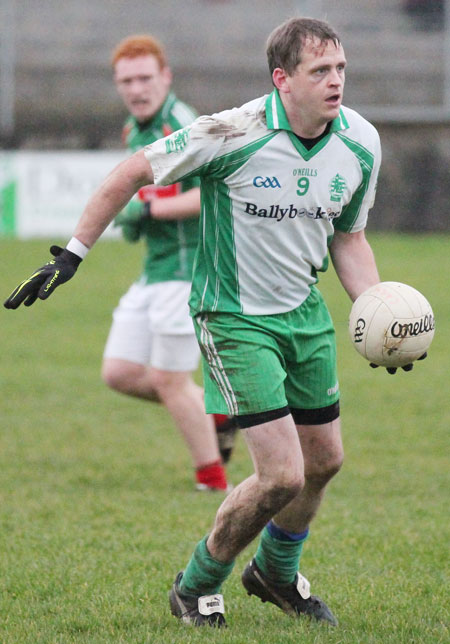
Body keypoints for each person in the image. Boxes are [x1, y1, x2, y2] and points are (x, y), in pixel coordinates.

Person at [4, 17, 423, 629]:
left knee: (326, 460)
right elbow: (131, 173)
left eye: (341, 69)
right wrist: (72, 254)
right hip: (233, 317)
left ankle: (275, 573)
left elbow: (349, 238)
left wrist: (379, 313)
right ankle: (196, 584)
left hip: (303, 312)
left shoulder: (360, 141)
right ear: (282, 80)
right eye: (320, 72)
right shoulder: (231, 131)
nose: (336, 83)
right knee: (281, 475)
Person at [103, 35, 236, 491]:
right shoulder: (132, 128)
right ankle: (216, 414)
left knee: (167, 379)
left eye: (144, 78)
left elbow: (218, 191)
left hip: (189, 270)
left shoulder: (182, 123)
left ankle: (213, 480)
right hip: (155, 270)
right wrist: (135, 212)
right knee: (118, 372)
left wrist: (150, 210)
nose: (136, 89)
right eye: (126, 81)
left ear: (166, 77)